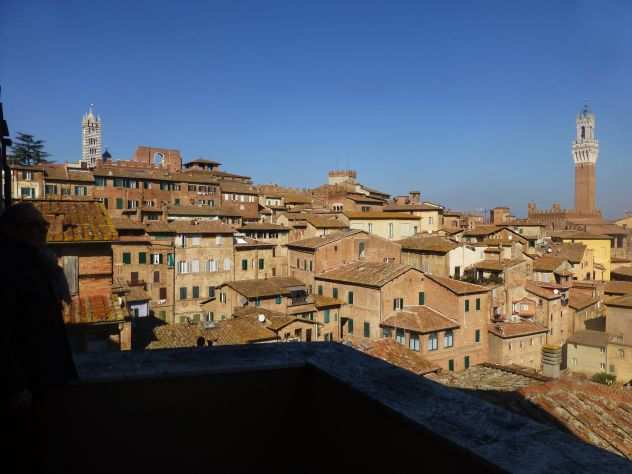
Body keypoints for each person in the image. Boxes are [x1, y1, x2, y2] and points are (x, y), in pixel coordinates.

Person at [0, 202, 77, 472]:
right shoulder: (10, 269)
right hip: (29, 383)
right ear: (11, 230)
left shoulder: (40, 263)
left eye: (43, 226)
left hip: (46, 377)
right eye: (33, 226)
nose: (41, 231)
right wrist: (16, 384)